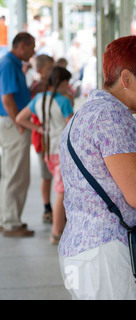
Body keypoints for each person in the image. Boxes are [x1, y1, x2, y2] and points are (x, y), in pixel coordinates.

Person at [57, 35, 136, 300]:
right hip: (111, 259)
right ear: (126, 79)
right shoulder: (112, 117)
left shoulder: (87, 113)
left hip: (90, 254)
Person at [16, 66, 74, 245]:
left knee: (58, 190)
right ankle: (56, 233)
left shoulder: (38, 99)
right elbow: (72, 126)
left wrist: (39, 129)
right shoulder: (64, 101)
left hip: (48, 151)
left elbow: (20, 118)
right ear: (63, 83)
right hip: (61, 152)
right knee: (61, 192)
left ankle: (60, 228)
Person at [0, 32, 35, 238]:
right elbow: (7, 99)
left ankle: (8, 218)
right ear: (22, 46)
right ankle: (11, 223)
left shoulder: (11, 64)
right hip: (13, 125)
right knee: (16, 174)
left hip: (13, 123)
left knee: (11, 173)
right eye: (31, 47)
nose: (33, 52)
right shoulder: (8, 64)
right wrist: (18, 122)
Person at [30, 54, 55, 224]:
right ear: (40, 70)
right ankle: (47, 207)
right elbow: (30, 116)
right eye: (49, 69)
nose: (52, 72)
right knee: (46, 176)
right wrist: (39, 128)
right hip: (43, 141)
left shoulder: (54, 86)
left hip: (53, 139)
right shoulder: (37, 90)